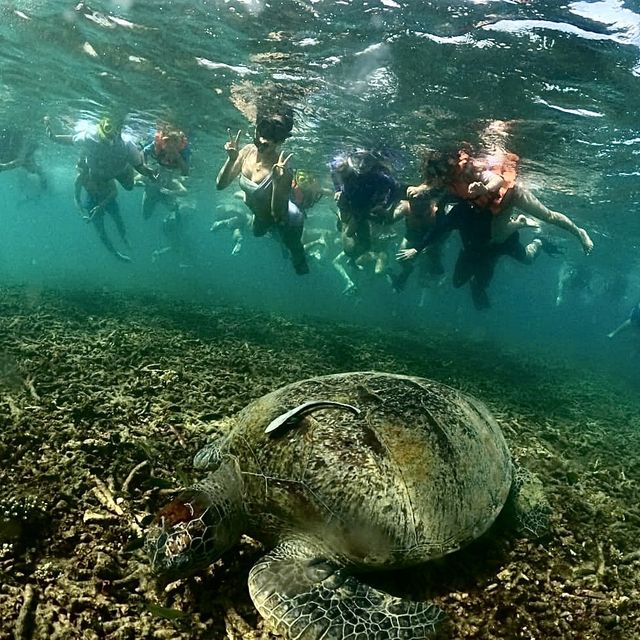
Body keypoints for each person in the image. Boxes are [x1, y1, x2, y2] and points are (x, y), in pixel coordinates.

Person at [407, 146, 594, 255]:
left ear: (449, 165)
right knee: (495, 238)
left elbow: (496, 180)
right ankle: (519, 223)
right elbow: (432, 184)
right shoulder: (444, 179)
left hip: (513, 194)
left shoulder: (468, 169)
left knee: (548, 216)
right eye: (436, 174)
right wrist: (421, 188)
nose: (439, 177)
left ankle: (579, 233)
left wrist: (484, 188)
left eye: (441, 172)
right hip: (496, 208)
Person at [397, 197, 561, 310]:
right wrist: (417, 248)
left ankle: (539, 241)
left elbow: (503, 223)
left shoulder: (494, 206)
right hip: (472, 249)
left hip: (500, 244)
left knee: (527, 258)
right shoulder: (461, 210)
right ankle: (480, 280)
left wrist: (517, 225)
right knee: (458, 282)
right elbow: (440, 228)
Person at [216, 111, 309, 275]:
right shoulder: (247, 151)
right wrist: (231, 160)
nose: (263, 140)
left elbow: (277, 214)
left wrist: (278, 182)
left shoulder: (282, 168)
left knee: (293, 247)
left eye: (273, 135)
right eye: (263, 130)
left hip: (286, 219)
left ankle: (301, 265)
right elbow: (220, 185)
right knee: (257, 233)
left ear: (281, 141)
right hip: (260, 215)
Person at [44, 114, 157, 190]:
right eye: (109, 129)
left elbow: (139, 166)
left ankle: (134, 180)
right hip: (99, 174)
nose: (112, 134)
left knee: (129, 187)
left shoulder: (127, 145)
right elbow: (71, 140)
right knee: (97, 190)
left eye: (116, 129)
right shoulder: (88, 137)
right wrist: (53, 137)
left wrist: (148, 172)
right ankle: (84, 156)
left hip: (121, 171)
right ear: (101, 128)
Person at [331, 150, 405, 261]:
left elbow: (396, 189)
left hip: (366, 208)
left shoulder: (380, 175)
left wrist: (385, 205)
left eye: (367, 161)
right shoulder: (345, 168)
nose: (361, 165)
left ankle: (348, 222)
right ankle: (345, 219)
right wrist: (337, 190)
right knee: (351, 246)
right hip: (352, 205)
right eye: (358, 159)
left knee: (363, 246)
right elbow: (333, 169)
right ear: (350, 158)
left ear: (374, 162)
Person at [386, 191, 448, 294]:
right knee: (401, 258)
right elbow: (390, 219)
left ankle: (430, 272)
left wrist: (433, 246)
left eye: (423, 211)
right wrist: (393, 204)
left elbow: (445, 232)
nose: (420, 214)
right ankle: (408, 271)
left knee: (435, 266)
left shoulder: (437, 211)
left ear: (429, 205)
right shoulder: (405, 207)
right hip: (412, 235)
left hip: (431, 238)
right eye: (416, 208)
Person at [74, 158, 131, 262]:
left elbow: (114, 191)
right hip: (92, 200)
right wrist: (82, 213)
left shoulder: (102, 172)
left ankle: (124, 237)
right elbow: (76, 198)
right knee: (101, 232)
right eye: (82, 172)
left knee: (118, 220)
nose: (86, 176)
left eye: (87, 172)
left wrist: (101, 205)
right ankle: (116, 254)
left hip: (108, 197)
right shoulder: (80, 179)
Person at [141, 127, 190, 220]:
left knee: (172, 207)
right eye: (168, 141)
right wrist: (144, 166)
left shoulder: (183, 151)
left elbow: (185, 172)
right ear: (163, 141)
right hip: (151, 192)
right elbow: (143, 152)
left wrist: (177, 156)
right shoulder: (157, 146)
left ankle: (175, 214)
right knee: (145, 215)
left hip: (166, 193)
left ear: (179, 143)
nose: (171, 145)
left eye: (174, 141)